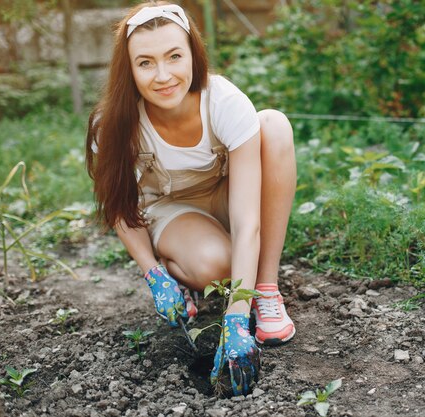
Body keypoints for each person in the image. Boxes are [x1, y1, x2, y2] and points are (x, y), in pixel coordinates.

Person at [85, 1, 296, 396]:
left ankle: (266, 290)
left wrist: (236, 314)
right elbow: (120, 208)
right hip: (172, 208)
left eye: (174, 56)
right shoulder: (113, 124)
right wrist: (153, 273)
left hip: (228, 195)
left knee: (276, 125)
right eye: (145, 62)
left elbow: (248, 218)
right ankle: (178, 264)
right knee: (218, 264)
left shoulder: (224, 102)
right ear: (128, 70)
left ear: (193, 56)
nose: (163, 76)